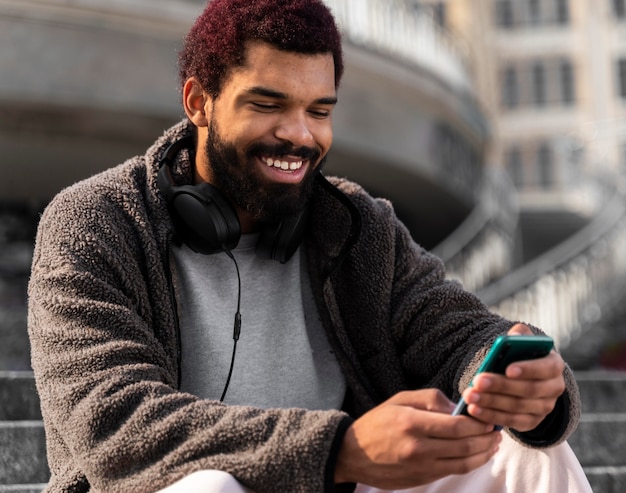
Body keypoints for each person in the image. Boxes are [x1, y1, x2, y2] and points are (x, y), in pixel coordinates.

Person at [27, 1, 591, 492]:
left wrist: (513, 381)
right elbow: (114, 424)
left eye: (319, 111)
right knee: (208, 486)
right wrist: (340, 448)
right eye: (268, 105)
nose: (300, 135)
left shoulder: (357, 224)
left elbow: (455, 329)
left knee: (532, 455)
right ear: (199, 102)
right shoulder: (96, 223)